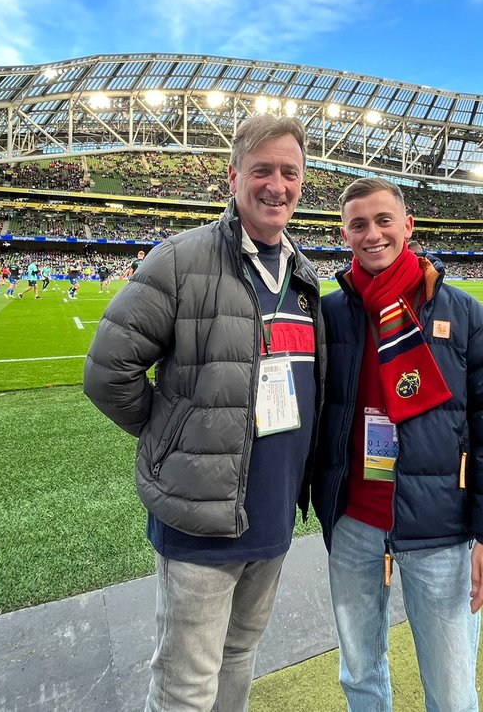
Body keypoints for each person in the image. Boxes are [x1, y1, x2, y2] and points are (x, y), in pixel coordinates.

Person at [84, 116, 325, 712]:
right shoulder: (179, 259)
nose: (276, 185)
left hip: (272, 517)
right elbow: (106, 373)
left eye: (289, 172)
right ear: (234, 175)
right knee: (185, 684)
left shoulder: (303, 276)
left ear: (302, 183)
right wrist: (174, 438)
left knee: (240, 658)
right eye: (262, 169)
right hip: (201, 521)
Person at [314, 177, 483, 712]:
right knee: (360, 674)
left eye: (384, 221)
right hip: (355, 525)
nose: (372, 233)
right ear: (345, 234)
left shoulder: (467, 316)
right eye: (359, 224)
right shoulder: (331, 314)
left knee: (452, 692)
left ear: (408, 226)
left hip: (441, 532)